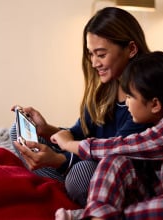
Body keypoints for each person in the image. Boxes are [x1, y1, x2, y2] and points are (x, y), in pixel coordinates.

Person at [10, 7, 151, 206]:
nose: (94, 63)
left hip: (119, 175)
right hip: (86, 161)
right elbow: (80, 134)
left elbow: (116, 156)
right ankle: (64, 183)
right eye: (90, 54)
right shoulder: (103, 90)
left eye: (101, 54)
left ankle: (69, 184)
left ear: (131, 49)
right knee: (19, 131)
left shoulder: (144, 98)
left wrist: (59, 160)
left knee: (81, 174)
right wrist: (47, 129)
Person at [52, 51, 163, 220]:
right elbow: (110, 149)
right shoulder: (146, 120)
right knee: (114, 160)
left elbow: (120, 145)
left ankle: (97, 216)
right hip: (148, 197)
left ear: (155, 104)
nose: (126, 102)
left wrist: (68, 145)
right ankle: (98, 215)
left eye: (129, 96)